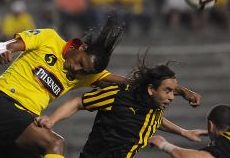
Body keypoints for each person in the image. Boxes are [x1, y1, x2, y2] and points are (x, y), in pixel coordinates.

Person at [0, 14, 125, 158]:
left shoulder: (84, 75)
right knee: (55, 144)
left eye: (84, 71)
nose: (77, 69)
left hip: (21, 122)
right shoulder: (50, 38)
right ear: (82, 47)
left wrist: (144, 81)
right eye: (80, 63)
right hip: (1, 105)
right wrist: (4, 51)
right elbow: (4, 45)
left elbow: (127, 83)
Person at [35, 55, 207, 157]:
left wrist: (183, 132)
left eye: (173, 92)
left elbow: (155, 121)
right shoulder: (119, 96)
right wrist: (52, 119)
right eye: (168, 91)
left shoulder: (154, 107)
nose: (171, 97)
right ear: (150, 89)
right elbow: (78, 102)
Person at [149, 104, 230, 158]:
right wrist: (183, 132)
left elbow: (203, 157)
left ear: (210, 125)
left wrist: (163, 144)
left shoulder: (225, 141)